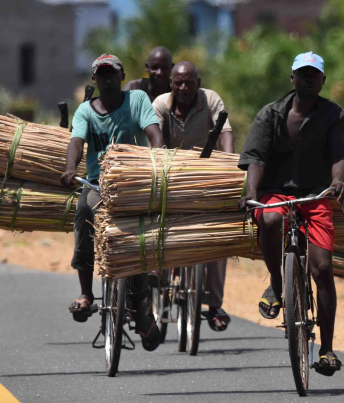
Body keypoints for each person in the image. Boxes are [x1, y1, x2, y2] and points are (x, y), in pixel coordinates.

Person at [238, 52, 344, 376]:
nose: (307, 80)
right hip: (276, 192)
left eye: (313, 75)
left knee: (322, 268)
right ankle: (277, 283)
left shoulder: (335, 115)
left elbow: (341, 154)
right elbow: (256, 159)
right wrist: (251, 195)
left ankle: (328, 349)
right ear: (292, 79)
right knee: (272, 219)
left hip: (316, 194)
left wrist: (337, 182)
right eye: (302, 75)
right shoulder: (271, 115)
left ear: (322, 80)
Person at [62, 53, 165, 351]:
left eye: (112, 73)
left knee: (138, 237)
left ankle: (140, 308)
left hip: (134, 184)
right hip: (99, 184)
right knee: (84, 209)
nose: (107, 78)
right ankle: (85, 294)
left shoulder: (137, 100)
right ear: (94, 79)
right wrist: (71, 169)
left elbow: (153, 134)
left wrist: (158, 157)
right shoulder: (85, 111)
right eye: (101, 74)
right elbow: (76, 143)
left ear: (121, 77)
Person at [153, 61, 235, 332]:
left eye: (189, 82)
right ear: (171, 84)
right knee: (156, 229)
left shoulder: (211, 100)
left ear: (198, 83)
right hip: (171, 177)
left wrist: (230, 165)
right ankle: (158, 282)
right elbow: (155, 141)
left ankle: (213, 304)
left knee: (217, 238)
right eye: (178, 83)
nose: (184, 87)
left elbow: (225, 133)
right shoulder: (161, 104)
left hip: (205, 177)